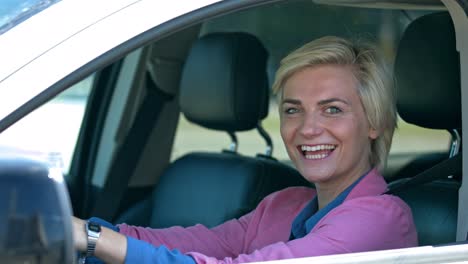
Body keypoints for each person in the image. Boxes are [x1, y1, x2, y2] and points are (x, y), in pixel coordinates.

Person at [73, 36, 418, 263]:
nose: (308, 128)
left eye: (333, 110)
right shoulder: (283, 205)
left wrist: (90, 239)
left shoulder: (380, 220)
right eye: (293, 110)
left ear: (374, 123)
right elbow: (196, 244)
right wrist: (80, 229)